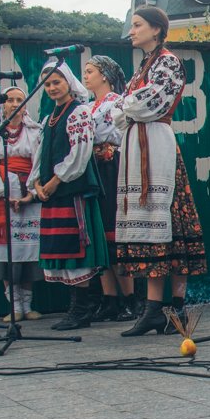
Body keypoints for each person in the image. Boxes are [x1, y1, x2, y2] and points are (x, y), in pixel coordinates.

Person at [112, 5, 208, 336]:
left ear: (156, 29)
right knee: (152, 223)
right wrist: (128, 106)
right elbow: (125, 110)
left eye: (137, 25)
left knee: (167, 220)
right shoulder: (144, 67)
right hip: (140, 146)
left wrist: (126, 105)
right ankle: (156, 309)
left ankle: (170, 308)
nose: (132, 31)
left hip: (157, 146)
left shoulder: (167, 61)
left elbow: (148, 103)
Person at [23, 61, 108, 330]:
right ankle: (77, 307)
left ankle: (82, 309)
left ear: (68, 83)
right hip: (54, 192)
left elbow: (79, 155)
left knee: (76, 250)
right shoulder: (50, 118)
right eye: (47, 84)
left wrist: (55, 181)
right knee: (62, 248)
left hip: (71, 191)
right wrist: (36, 183)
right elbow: (41, 154)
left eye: (56, 82)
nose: (51, 88)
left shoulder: (79, 112)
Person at [0, 86, 42, 321]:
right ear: (3, 105)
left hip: (27, 198)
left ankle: (27, 304)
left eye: (19, 100)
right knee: (7, 252)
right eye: (10, 100)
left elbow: (39, 164)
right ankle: (13, 305)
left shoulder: (35, 132)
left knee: (27, 252)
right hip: (1, 201)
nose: (15, 103)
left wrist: (30, 193)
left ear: (25, 105)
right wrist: (2, 193)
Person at [81, 54, 137, 322]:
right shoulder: (89, 106)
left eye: (90, 71)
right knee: (100, 237)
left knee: (115, 236)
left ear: (104, 75)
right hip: (93, 169)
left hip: (111, 167)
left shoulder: (117, 102)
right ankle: (109, 299)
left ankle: (129, 299)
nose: (86, 75)